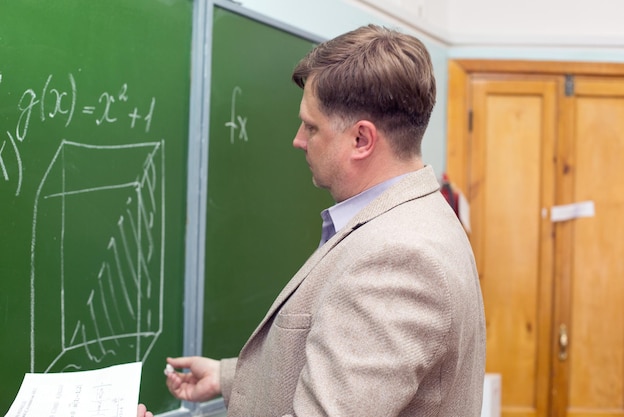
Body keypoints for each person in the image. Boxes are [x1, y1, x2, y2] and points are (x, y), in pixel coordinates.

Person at [138, 24, 485, 417]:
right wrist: (227, 378)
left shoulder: (398, 259)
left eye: (312, 126)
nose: (298, 139)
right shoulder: (414, 215)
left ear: (361, 140)